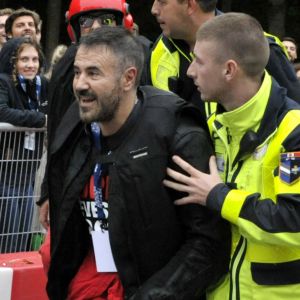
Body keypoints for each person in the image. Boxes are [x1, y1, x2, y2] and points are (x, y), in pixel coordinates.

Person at [46, 26, 230, 300]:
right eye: (77, 72)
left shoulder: (176, 134)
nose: (80, 84)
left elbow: (208, 243)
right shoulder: (78, 126)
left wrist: (154, 295)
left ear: (128, 78)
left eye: (93, 73)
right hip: (88, 286)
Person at [163, 12, 300, 300]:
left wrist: (220, 197)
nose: (190, 72)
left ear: (229, 70)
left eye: (199, 61)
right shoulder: (215, 126)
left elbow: (294, 223)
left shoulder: (293, 130)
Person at [37, 0, 135, 230]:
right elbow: (57, 135)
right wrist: (48, 191)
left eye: (107, 20)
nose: (98, 27)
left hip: (127, 180)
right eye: (87, 21)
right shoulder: (64, 71)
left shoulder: (140, 57)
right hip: (80, 184)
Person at [147, 0, 300, 116]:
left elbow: (293, 120)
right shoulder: (157, 51)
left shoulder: (258, 47)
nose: (154, 9)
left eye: (162, 1)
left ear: (189, 5)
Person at [0, 37, 48, 252]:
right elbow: (3, 111)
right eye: (24, 59)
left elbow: (53, 110)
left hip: (28, 172)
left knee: (21, 236)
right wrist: (40, 119)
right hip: (7, 172)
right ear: (13, 62)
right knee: (8, 236)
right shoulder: (4, 82)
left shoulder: (41, 85)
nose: (30, 64)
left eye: (35, 59)